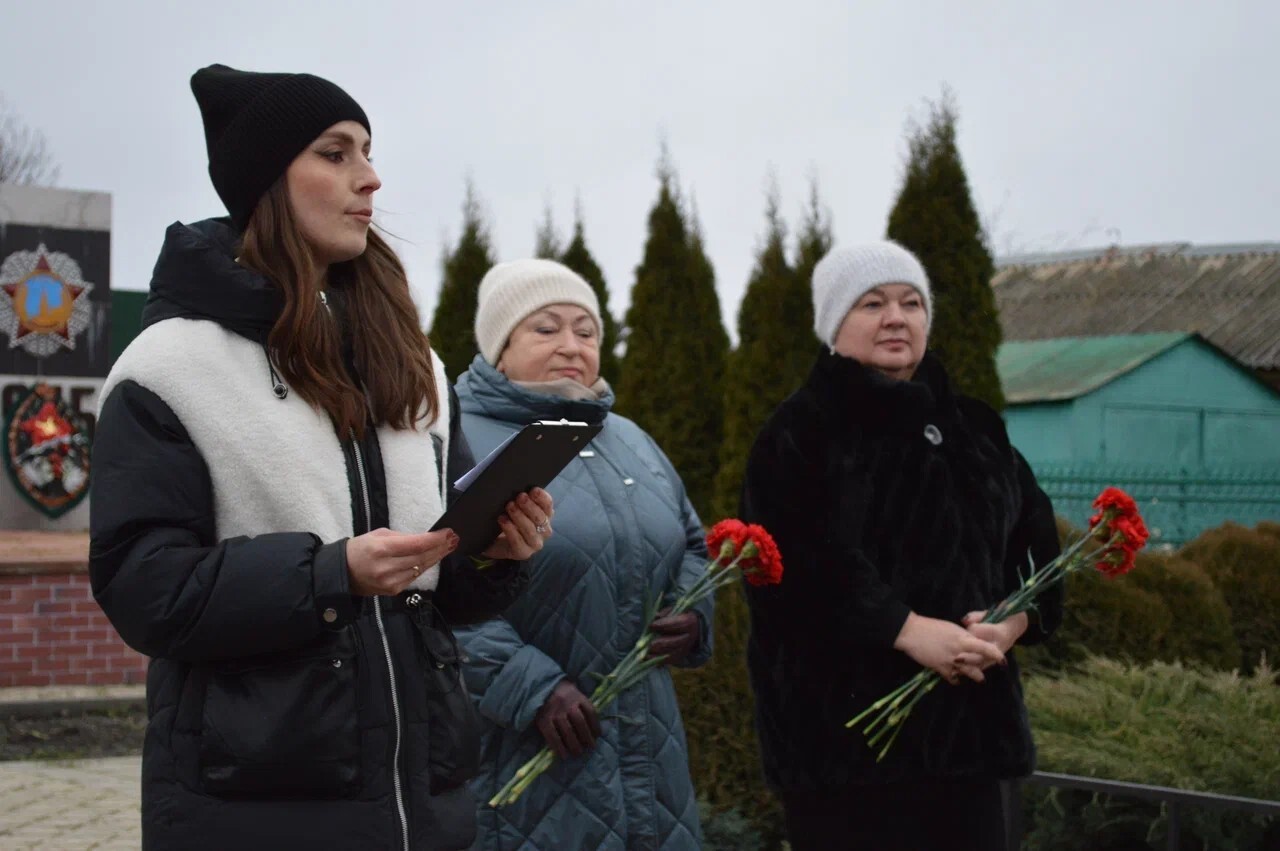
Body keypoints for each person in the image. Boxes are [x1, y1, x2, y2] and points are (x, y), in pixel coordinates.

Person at [88, 64, 553, 851]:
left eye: (368, 152)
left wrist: (493, 553)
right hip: (253, 810)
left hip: (423, 809)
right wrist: (330, 574)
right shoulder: (167, 368)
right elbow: (144, 587)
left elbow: (439, 592)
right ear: (267, 181)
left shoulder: (413, 362)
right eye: (335, 154)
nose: (370, 178)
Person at [739, 241, 1064, 851]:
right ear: (834, 323)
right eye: (872, 304)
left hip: (969, 739)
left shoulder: (975, 426)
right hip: (849, 749)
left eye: (911, 303)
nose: (896, 317)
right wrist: (906, 629)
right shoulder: (801, 432)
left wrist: (1013, 621)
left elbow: (1036, 539)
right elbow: (794, 566)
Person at [451, 258, 710, 850]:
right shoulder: (453, 438)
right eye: (546, 328)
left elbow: (693, 544)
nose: (571, 345)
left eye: (586, 331)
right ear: (499, 347)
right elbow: (422, 588)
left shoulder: (632, 439)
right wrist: (525, 684)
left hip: (651, 752)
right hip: (519, 752)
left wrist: (696, 613)